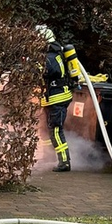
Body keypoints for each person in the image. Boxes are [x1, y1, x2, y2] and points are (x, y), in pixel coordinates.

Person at [38, 25, 73, 172]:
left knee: (56, 130)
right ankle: (48, 156)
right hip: (51, 98)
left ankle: (64, 162)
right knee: (46, 128)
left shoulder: (51, 57)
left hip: (57, 98)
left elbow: (47, 72)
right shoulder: (52, 54)